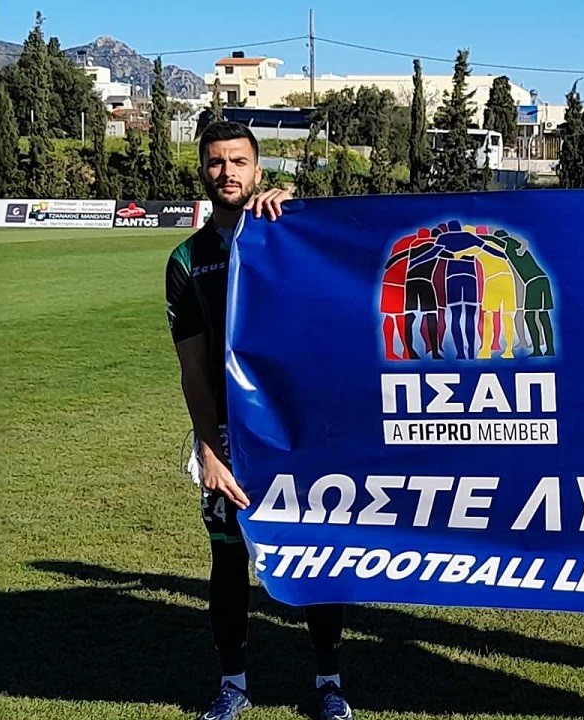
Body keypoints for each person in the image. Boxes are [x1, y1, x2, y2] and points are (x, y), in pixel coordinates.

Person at [165, 121, 353, 720]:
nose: (227, 173)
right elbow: (192, 368)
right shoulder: (187, 260)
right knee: (228, 559)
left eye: (238, 162)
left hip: (298, 431)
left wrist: (295, 210)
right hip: (230, 435)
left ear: (258, 170)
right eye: (216, 162)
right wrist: (208, 448)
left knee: (317, 551)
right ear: (203, 170)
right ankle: (233, 684)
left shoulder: (287, 231)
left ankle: (329, 683)